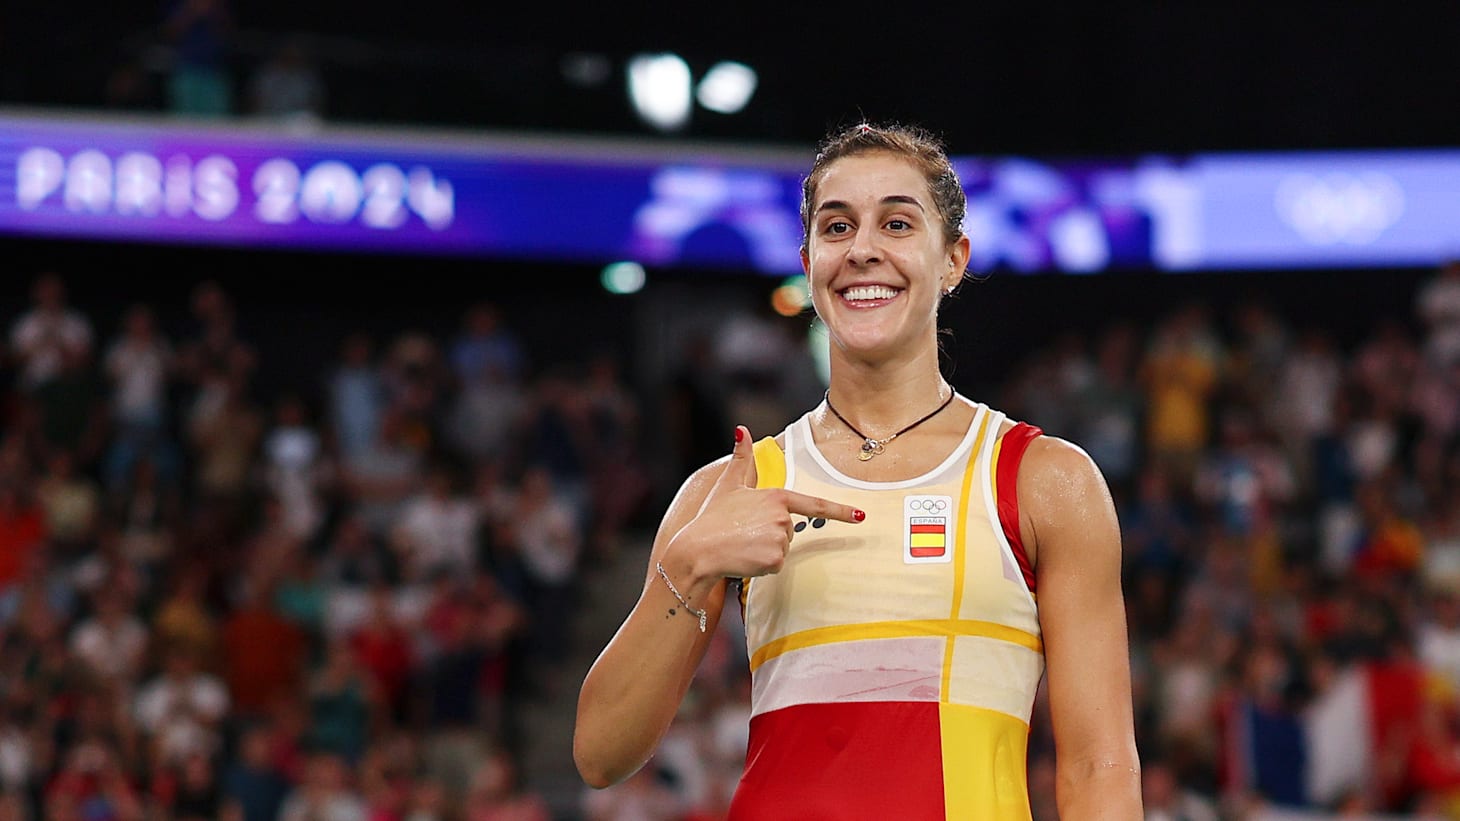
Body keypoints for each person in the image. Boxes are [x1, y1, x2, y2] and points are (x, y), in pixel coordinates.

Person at [574, 122, 1141, 819]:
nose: (862, 249)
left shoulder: (1042, 480)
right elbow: (601, 754)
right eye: (837, 227)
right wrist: (689, 565)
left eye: (897, 224)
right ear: (808, 261)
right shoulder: (729, 489)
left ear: (953, 259)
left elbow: (1098, 767)